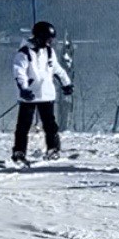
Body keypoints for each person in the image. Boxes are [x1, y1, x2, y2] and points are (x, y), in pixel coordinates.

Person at [12, 20, 72, 164]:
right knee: (23, 126)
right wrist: (24, 89)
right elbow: (19, 72)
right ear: (39, 37)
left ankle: (53, 150)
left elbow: (56, 69)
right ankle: (19, 152)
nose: (50, 42)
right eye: (47, 39)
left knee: (50, 125)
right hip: (30, 96)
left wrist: (66, 83)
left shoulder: (49, 51)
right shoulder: (24, 53)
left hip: (46, 95)